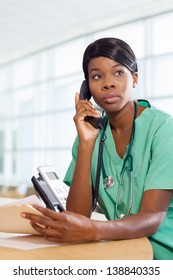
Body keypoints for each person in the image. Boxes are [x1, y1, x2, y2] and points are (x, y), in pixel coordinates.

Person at [21, 37, 173, 260]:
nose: (108, 83)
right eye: (97, 76)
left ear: (135, 79)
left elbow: (152, 217)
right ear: (87, 89)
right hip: (121, 250)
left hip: (162, 254)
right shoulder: (91, 132)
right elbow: (77, 215)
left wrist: (94, 229)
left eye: (118, 72)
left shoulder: (164, 129)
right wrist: (86, 143)